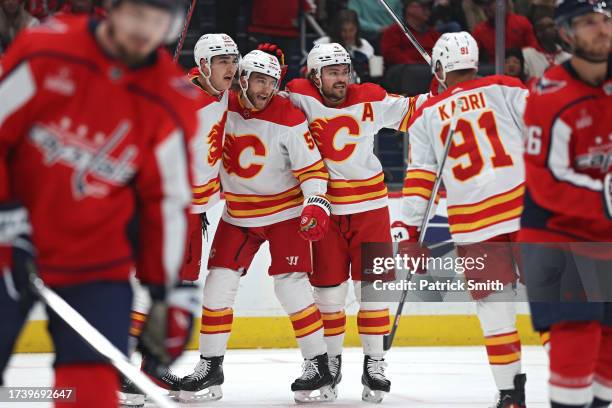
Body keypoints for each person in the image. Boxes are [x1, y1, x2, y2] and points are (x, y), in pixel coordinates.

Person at [0, 0, 202, 407]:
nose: (145, 30)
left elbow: (166, 203)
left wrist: (168, 292)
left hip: (94, 260)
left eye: (159, 21)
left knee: (88, 387)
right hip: (10, 242)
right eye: (137, 15)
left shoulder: (170, 99)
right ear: (111, 9)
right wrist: (5, 216)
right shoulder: (44, 48)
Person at [179, 49, 335, 404]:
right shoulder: (222, 104)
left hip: (284, 214)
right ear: (243, 79)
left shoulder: (290, 117)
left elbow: (313, 172)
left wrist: (316, 201)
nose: (267, 89)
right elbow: (195, 85)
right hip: (238, 214)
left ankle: (318, 364)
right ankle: (210, 366)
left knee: (290, 287)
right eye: (259, 80)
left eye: (272, 81)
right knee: (217, 284)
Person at [399, 32, 529, 407]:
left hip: (474, 227)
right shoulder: (506, 88)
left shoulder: (426, 114)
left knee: (495, 311)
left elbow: (421, 178)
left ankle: (510, 394)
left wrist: (409, 233)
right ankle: (579, 385)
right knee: (555, 303)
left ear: (439, 68)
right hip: (526, 214)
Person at [284, 42, 418, 403]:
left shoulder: (370, 96)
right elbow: (255, 102)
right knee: (328, 296)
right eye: (332, 72)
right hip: (324, 210)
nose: (341, 79)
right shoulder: (298, 97)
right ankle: (329, 366)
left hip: (370, 209)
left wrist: (448, 92)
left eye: (344, 71)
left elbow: (418, 112)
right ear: (315, 76)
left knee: (371, 293)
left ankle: (375, 364)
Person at [120, 33, 240, 407]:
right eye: (222, 61)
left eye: (233, 60)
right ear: (204, 65)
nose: (231, 68)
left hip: (195, 211)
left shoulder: (219, 93)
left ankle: (151, 366)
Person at [520, 0, 612, 406]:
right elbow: (548, 182)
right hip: (556, 235)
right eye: (589, 22)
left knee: (608, 355)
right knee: (577, 340)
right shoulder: (549, 96)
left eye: (607, 20)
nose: (602, 29)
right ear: (566, 34)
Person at [314, 9, 375, 82]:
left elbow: (371, 73)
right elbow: (307, 70)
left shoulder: (365, 45)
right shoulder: (323, 44)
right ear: (337, 30)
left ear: (357, 29)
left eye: (351, 30)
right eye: (344, 30)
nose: (348, 34)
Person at [472, 0, 538, 63]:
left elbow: (534, 49)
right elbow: (471, 56)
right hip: (495, 69)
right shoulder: (479, 30)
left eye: (490, 3)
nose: (486, 8)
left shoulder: (521, 22)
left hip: (523, 65)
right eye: (484, 5)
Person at [381, 0, 441, 67]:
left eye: (429, 7)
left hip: (430, 71)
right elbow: (391, 55)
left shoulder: (433, 34)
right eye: (423, 7)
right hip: (403, 71)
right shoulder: (394, 31)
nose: (427, 11)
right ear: (410, 8)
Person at [522, 14, 571, 79]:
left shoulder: (568, 58)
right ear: (539, 33)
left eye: (555, 25)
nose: (556, 29)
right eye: (550, 26)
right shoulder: (526, 54)